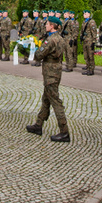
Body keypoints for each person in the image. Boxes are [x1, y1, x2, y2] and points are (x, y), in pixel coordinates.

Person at [25, 14, 70, 143]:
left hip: (50, 73)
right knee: (46, 99)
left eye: (47, 24)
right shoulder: (60, 38)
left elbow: (39, 55)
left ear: (52, 26)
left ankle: (64, 131)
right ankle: (38, 125)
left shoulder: (50, 40)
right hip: (56, 71)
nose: (45, 25)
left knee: (55, 101)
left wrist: (29, 51)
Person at [80, 10, 97, 76]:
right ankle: (88, 67)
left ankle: (91, 69)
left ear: (89, 14)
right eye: (84, 13)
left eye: (86, 13)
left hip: (89, 41)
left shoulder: (91, 22)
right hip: (85, 40)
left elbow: (94, 33)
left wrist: (93, 42)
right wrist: (81, 37)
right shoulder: (84, 22)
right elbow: (82, 30)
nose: (84, 14)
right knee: (86, 55)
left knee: (90, 56)